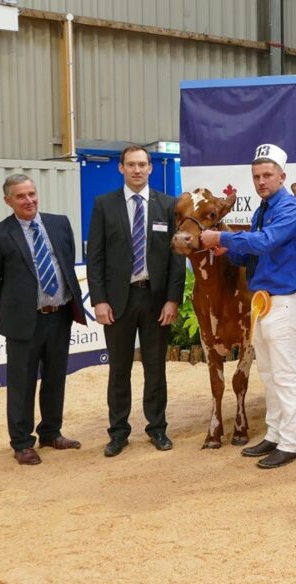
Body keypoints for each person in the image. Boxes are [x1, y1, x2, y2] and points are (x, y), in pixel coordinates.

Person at [200, 143, 296, 469]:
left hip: (286, 300)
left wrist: (222, 239)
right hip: (264, 303)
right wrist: (229, 250)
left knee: (286, 374)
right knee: (268, 372)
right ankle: (275, 434)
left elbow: (265, 241)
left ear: (282, 176)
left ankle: (291, 442)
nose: (261, 181)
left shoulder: (290, 208)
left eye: (267, 175)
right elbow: (254, 253)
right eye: (256, 176)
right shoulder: (263, 210)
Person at [87, 145, 185, 458]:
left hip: (156, 301)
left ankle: (157, 428)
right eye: (131, 164)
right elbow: (96, 258)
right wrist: (99, 300)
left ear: (151, 168)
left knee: (156, 369)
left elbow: (176, 258)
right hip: (118, 301)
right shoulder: (104, 205)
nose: (137, 170)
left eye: (142, 164)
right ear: (121, 169)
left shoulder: (168, 206)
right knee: (119, 370)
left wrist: (172, 299)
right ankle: (118, 433)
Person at [0, 174, 87, 465]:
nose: (29, 200)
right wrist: (16, 309)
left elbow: (66, 262)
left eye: (32, 194)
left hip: (60, 316)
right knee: (22, 383)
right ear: (8, 201)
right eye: (20, 196)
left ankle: (51, 432)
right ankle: (22, 442)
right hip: (24, 322)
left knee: (55, 377)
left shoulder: (59, 223)